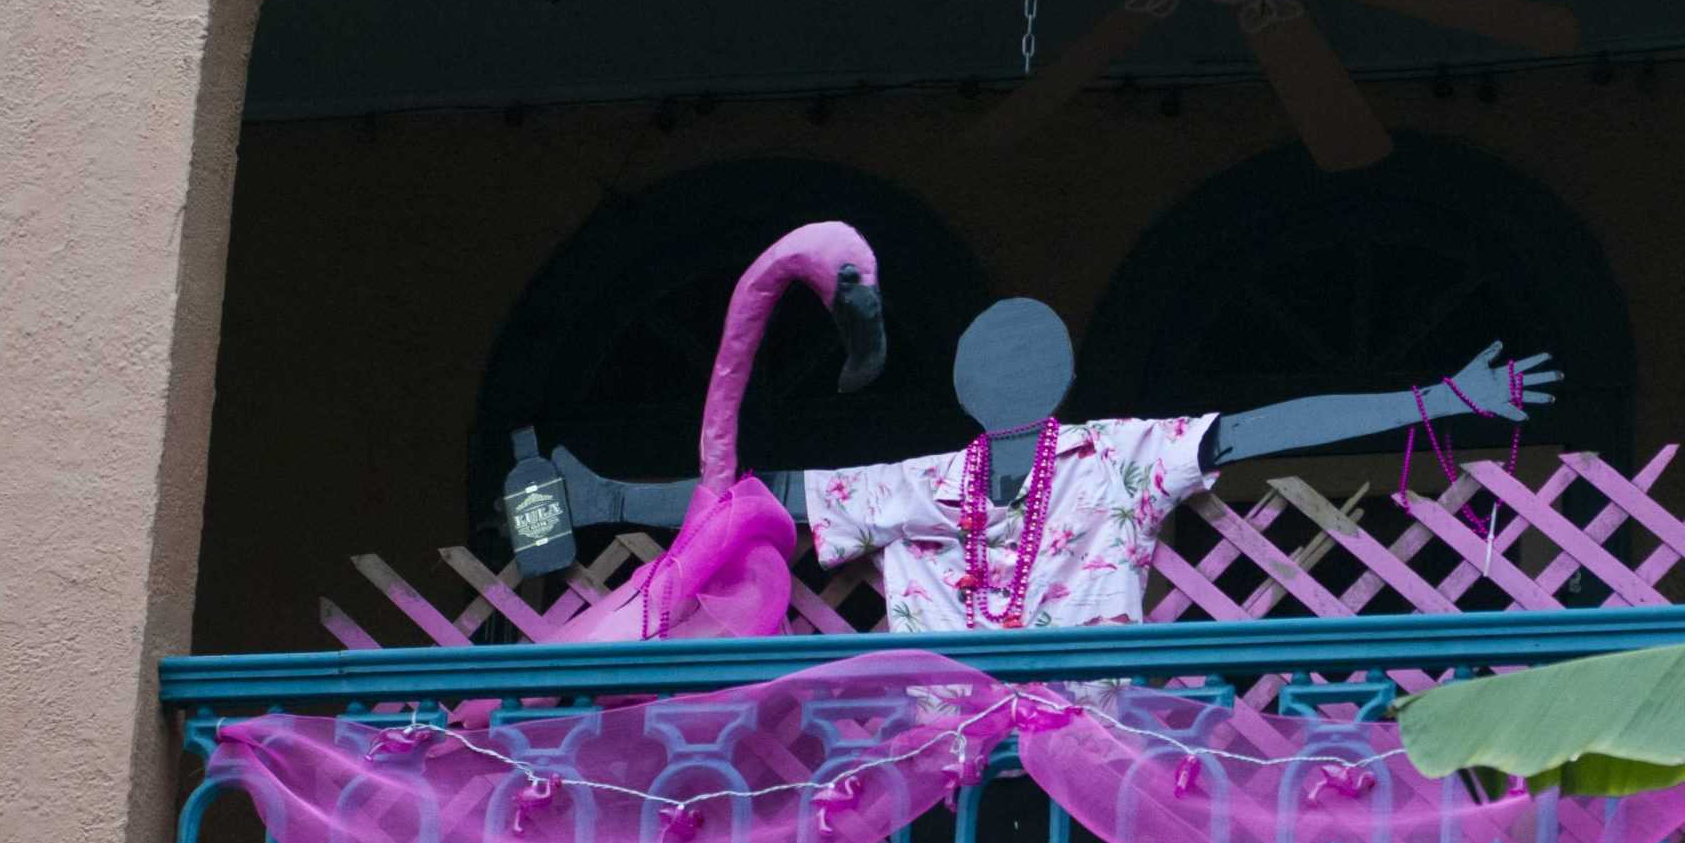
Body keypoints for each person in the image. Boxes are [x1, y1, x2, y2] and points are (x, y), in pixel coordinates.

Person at [539, 295, 1557, 634]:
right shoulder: (921, 481)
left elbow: (1262, 425)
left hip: (1090, 748)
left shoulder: (1118, 457)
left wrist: (1431, 402)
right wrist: (602, 498)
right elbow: (756, 504)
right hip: (943, 758)